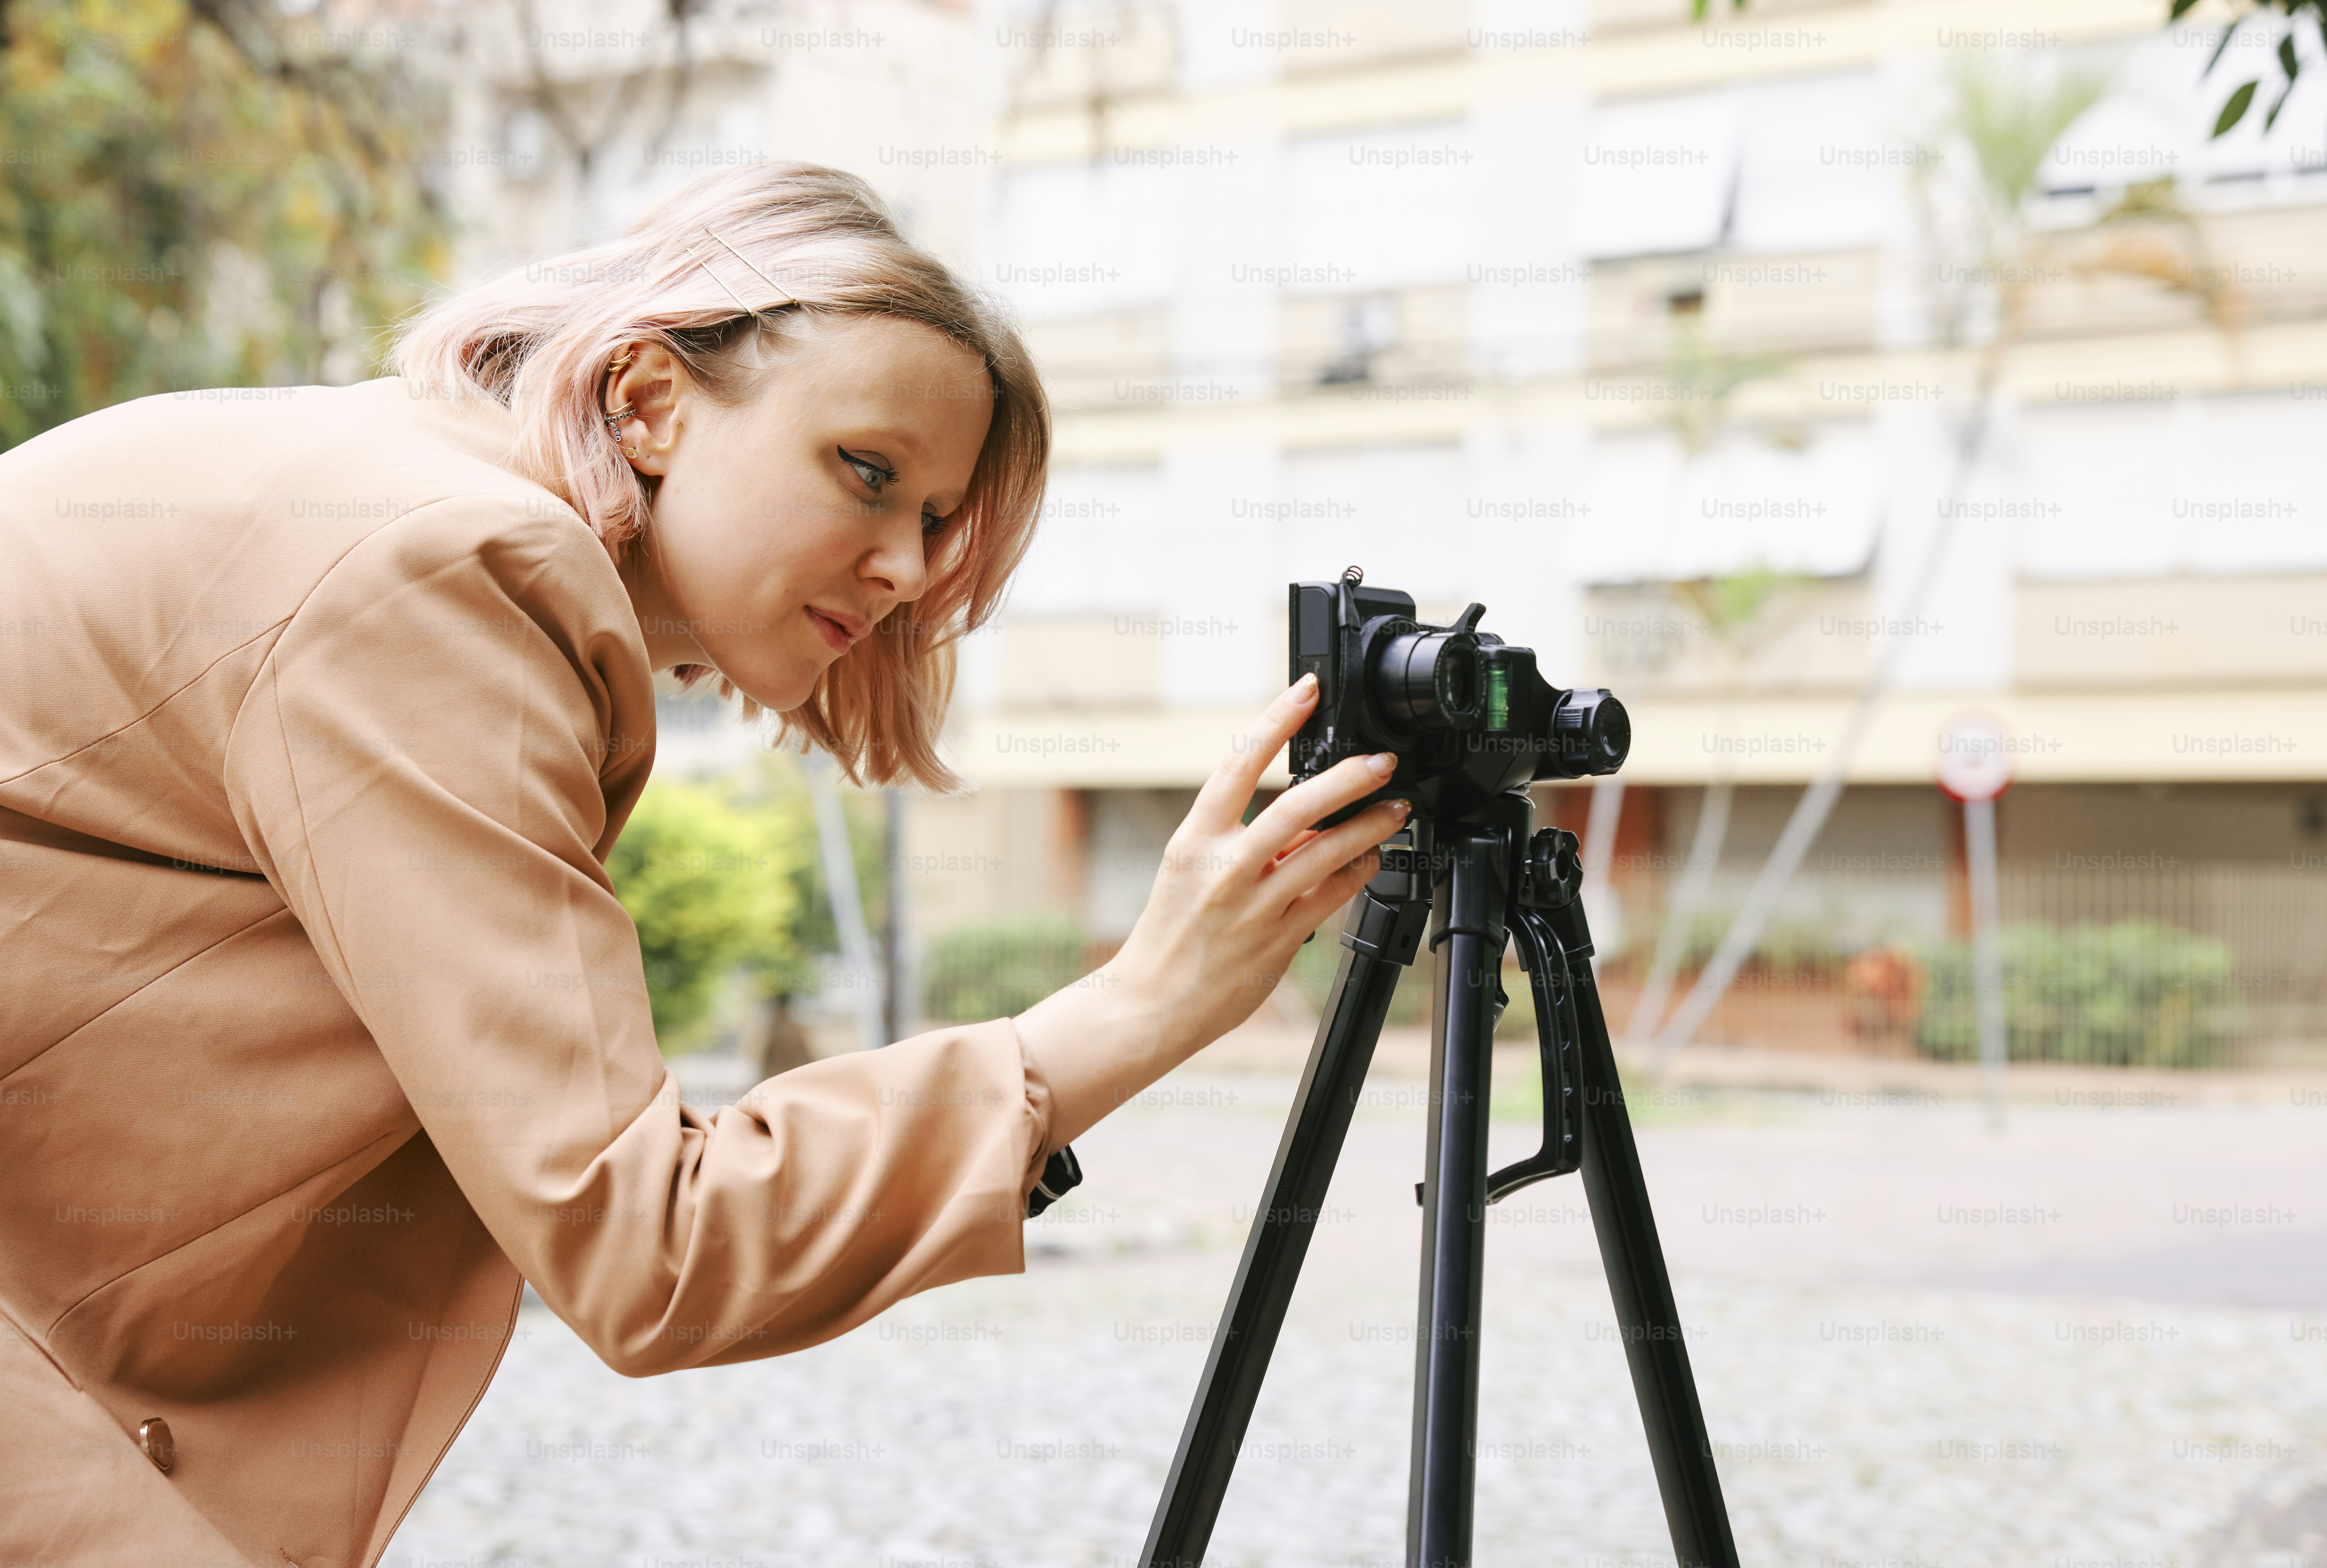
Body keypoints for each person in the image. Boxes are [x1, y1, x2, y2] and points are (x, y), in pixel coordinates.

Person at [0, 162, 1405, 1566]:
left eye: (934, 521)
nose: (909, 569)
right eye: (868, 472)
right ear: (651, 401)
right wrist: (1137, 1005)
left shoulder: (378, 489)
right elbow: (644, 1243)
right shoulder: (445, 570)